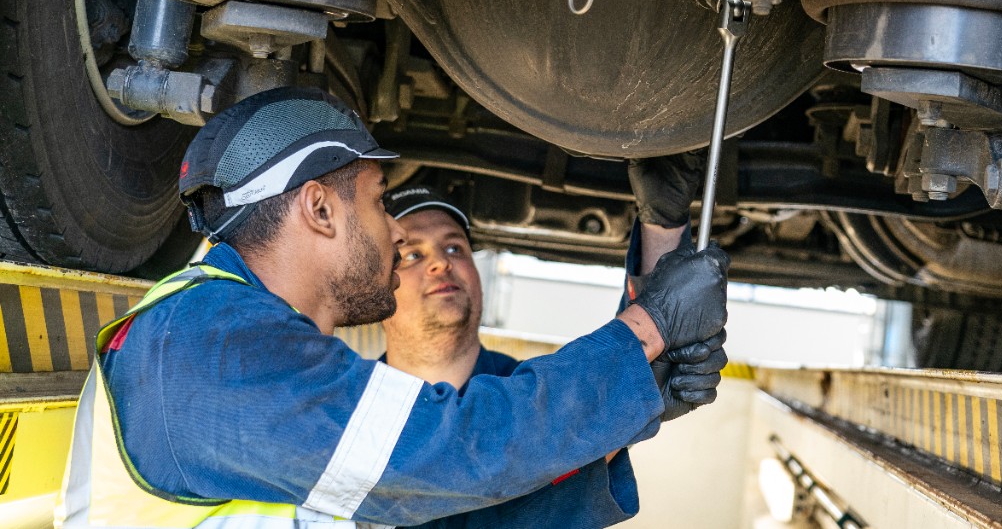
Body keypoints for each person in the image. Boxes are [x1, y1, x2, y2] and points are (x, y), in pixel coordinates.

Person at [56, 87, 729, 529]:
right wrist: (645, 331)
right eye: (379, 202)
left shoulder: (227, 340)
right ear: (319, 209)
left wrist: (637, 389)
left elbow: (437, 506)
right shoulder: (207, 345)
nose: (392, 232)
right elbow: (449, 452)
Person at [378, 175, 727, 528]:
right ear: (377, 286)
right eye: (411, 255)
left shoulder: (546, 392)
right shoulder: (355, 409)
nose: (441, 263)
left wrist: (662, 226)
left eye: (455, 248)